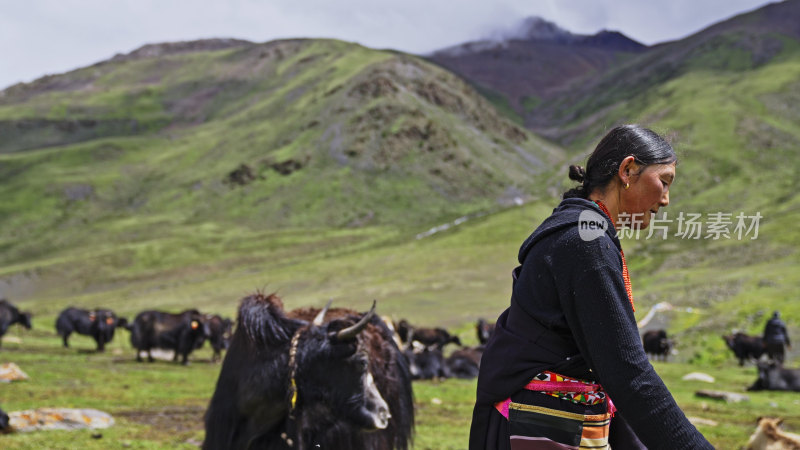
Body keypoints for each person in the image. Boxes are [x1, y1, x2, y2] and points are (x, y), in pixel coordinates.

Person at [469, 124, 712, 450]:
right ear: (628, 170)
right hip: (543, 425)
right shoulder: (587, 242)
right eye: (664, 182)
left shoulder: (583, 230)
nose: (666, 200)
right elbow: (628, 374)